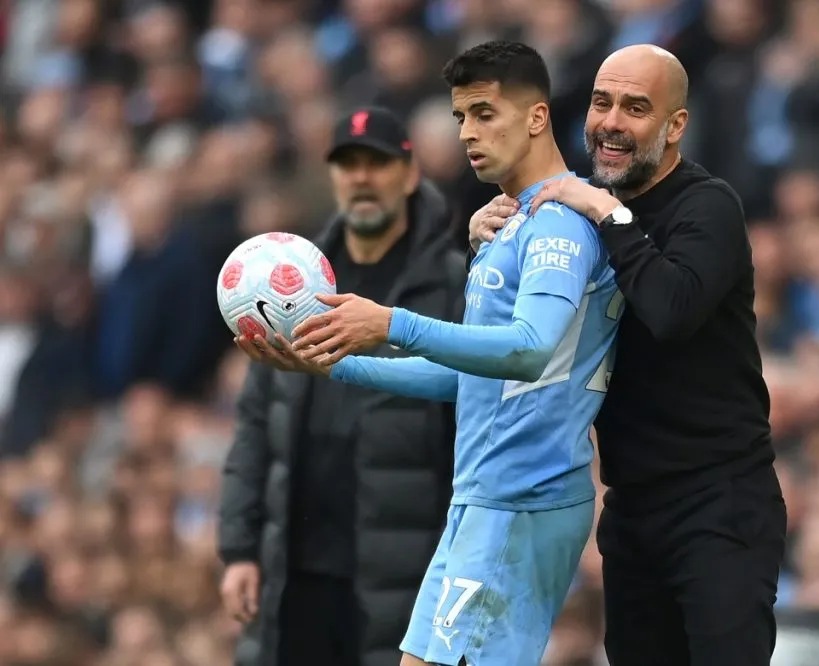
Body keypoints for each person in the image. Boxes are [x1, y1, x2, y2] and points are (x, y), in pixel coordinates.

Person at [237, 41, 620, 666]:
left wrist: (391, 322)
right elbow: (469, 379)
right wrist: (331, 362)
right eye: (460, 117)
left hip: (521, 499)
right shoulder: (508, 223)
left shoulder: (559, 223)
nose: (468, 132)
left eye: (484, 113)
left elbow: (530, 350)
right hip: (484, 500)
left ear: (537, 117)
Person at [469, 45, 788, 666]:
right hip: (632, 507)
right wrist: (488, 247)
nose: (611, 121)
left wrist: (608, 213)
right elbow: (523, 335)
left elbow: (671, 311)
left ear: (675, 127)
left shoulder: (707, 205)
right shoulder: (577, 212)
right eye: (601, 101)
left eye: (636, 108)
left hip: (719, 501)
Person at [217, 106, 467, 666]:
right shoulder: (287, 283)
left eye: (376, 163)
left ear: (409, 174)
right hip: (295, 571)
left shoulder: (452, 285)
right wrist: (239, 549)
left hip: (402, 571)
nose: (360, 177)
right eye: (347, 164)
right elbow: (256, 425)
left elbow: (471, 423)